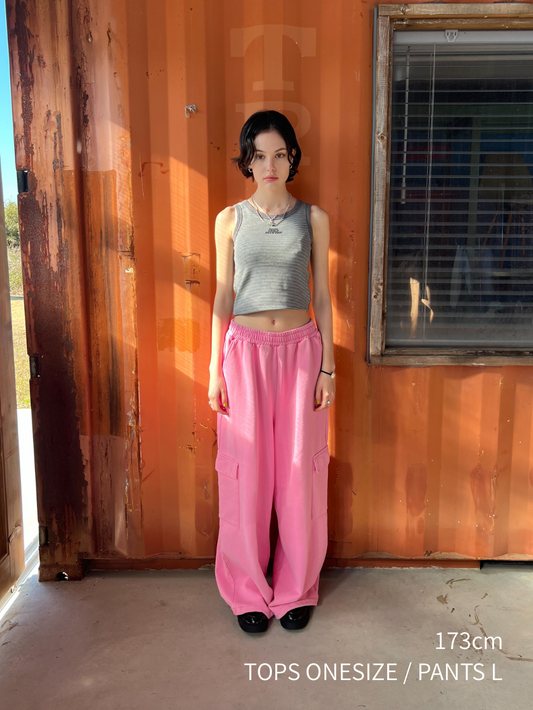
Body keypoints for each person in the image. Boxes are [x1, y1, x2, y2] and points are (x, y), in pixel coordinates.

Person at [208, 109, 335, 634]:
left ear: (292, 158)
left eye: (279, 154)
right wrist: (214, 368)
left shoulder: (314, 218)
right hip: (244, 355)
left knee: (300, 472)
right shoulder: (230, 220)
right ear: (247, 161)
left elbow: (322, 296)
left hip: (302, 353)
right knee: (246, 474)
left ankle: (296, 587)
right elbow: (222, 295)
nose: (270, 165)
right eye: (259, 155)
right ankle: (247, 591)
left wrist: (328, 367)